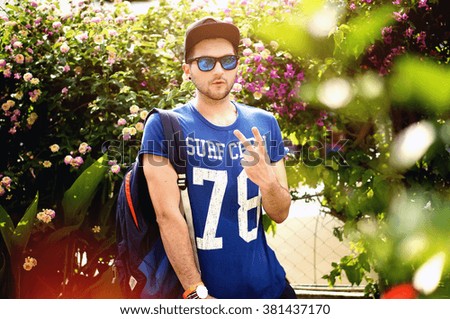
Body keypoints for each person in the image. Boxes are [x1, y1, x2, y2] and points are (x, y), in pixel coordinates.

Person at [140, 16, 296, 299]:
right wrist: (195, 292)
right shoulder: (164, 126)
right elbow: (167, 216)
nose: (218, 70)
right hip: (207, 297)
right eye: (205, 62)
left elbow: (281, 212)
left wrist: (268, 183)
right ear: (187, 70)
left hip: (271, 289)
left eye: (227, 60)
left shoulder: (264, 123)